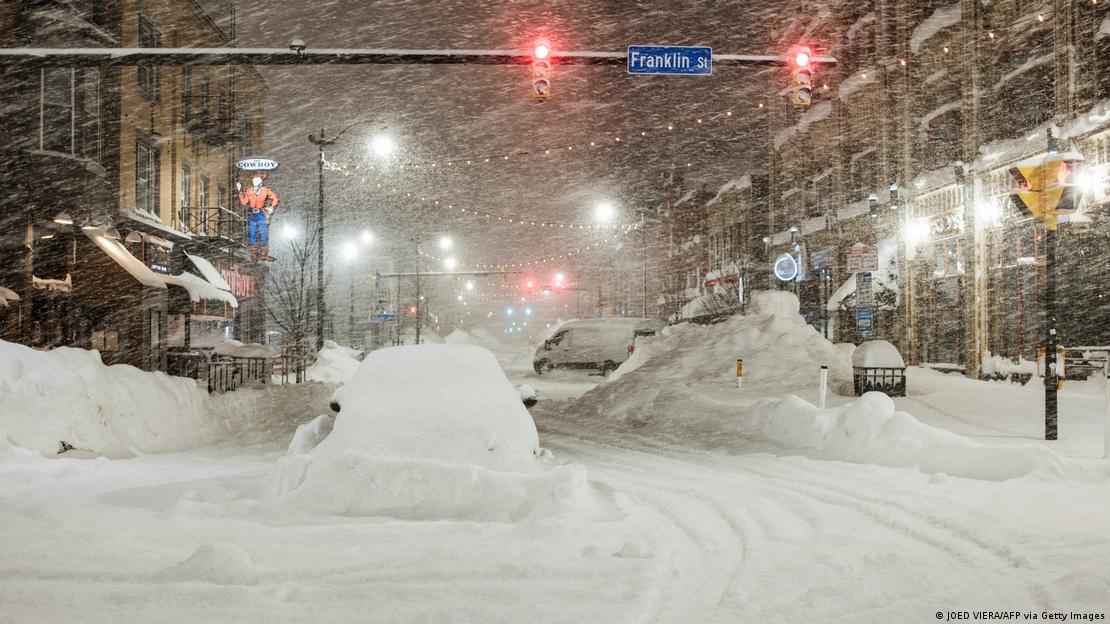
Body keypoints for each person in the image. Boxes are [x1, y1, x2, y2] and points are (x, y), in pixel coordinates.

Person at [237, 171, 279, 261]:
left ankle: (263, 253)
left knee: (262, 232)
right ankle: (254, 253)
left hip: (261, 213)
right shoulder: (249, 190)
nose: (256, 186)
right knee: (252, 232)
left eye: (258, 183)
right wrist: (240, 191)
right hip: (252, 213)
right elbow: (244, 202)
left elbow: (275, 198)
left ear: (260, 184)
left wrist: (271, 207)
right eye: (254, 183)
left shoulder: (266, 190)